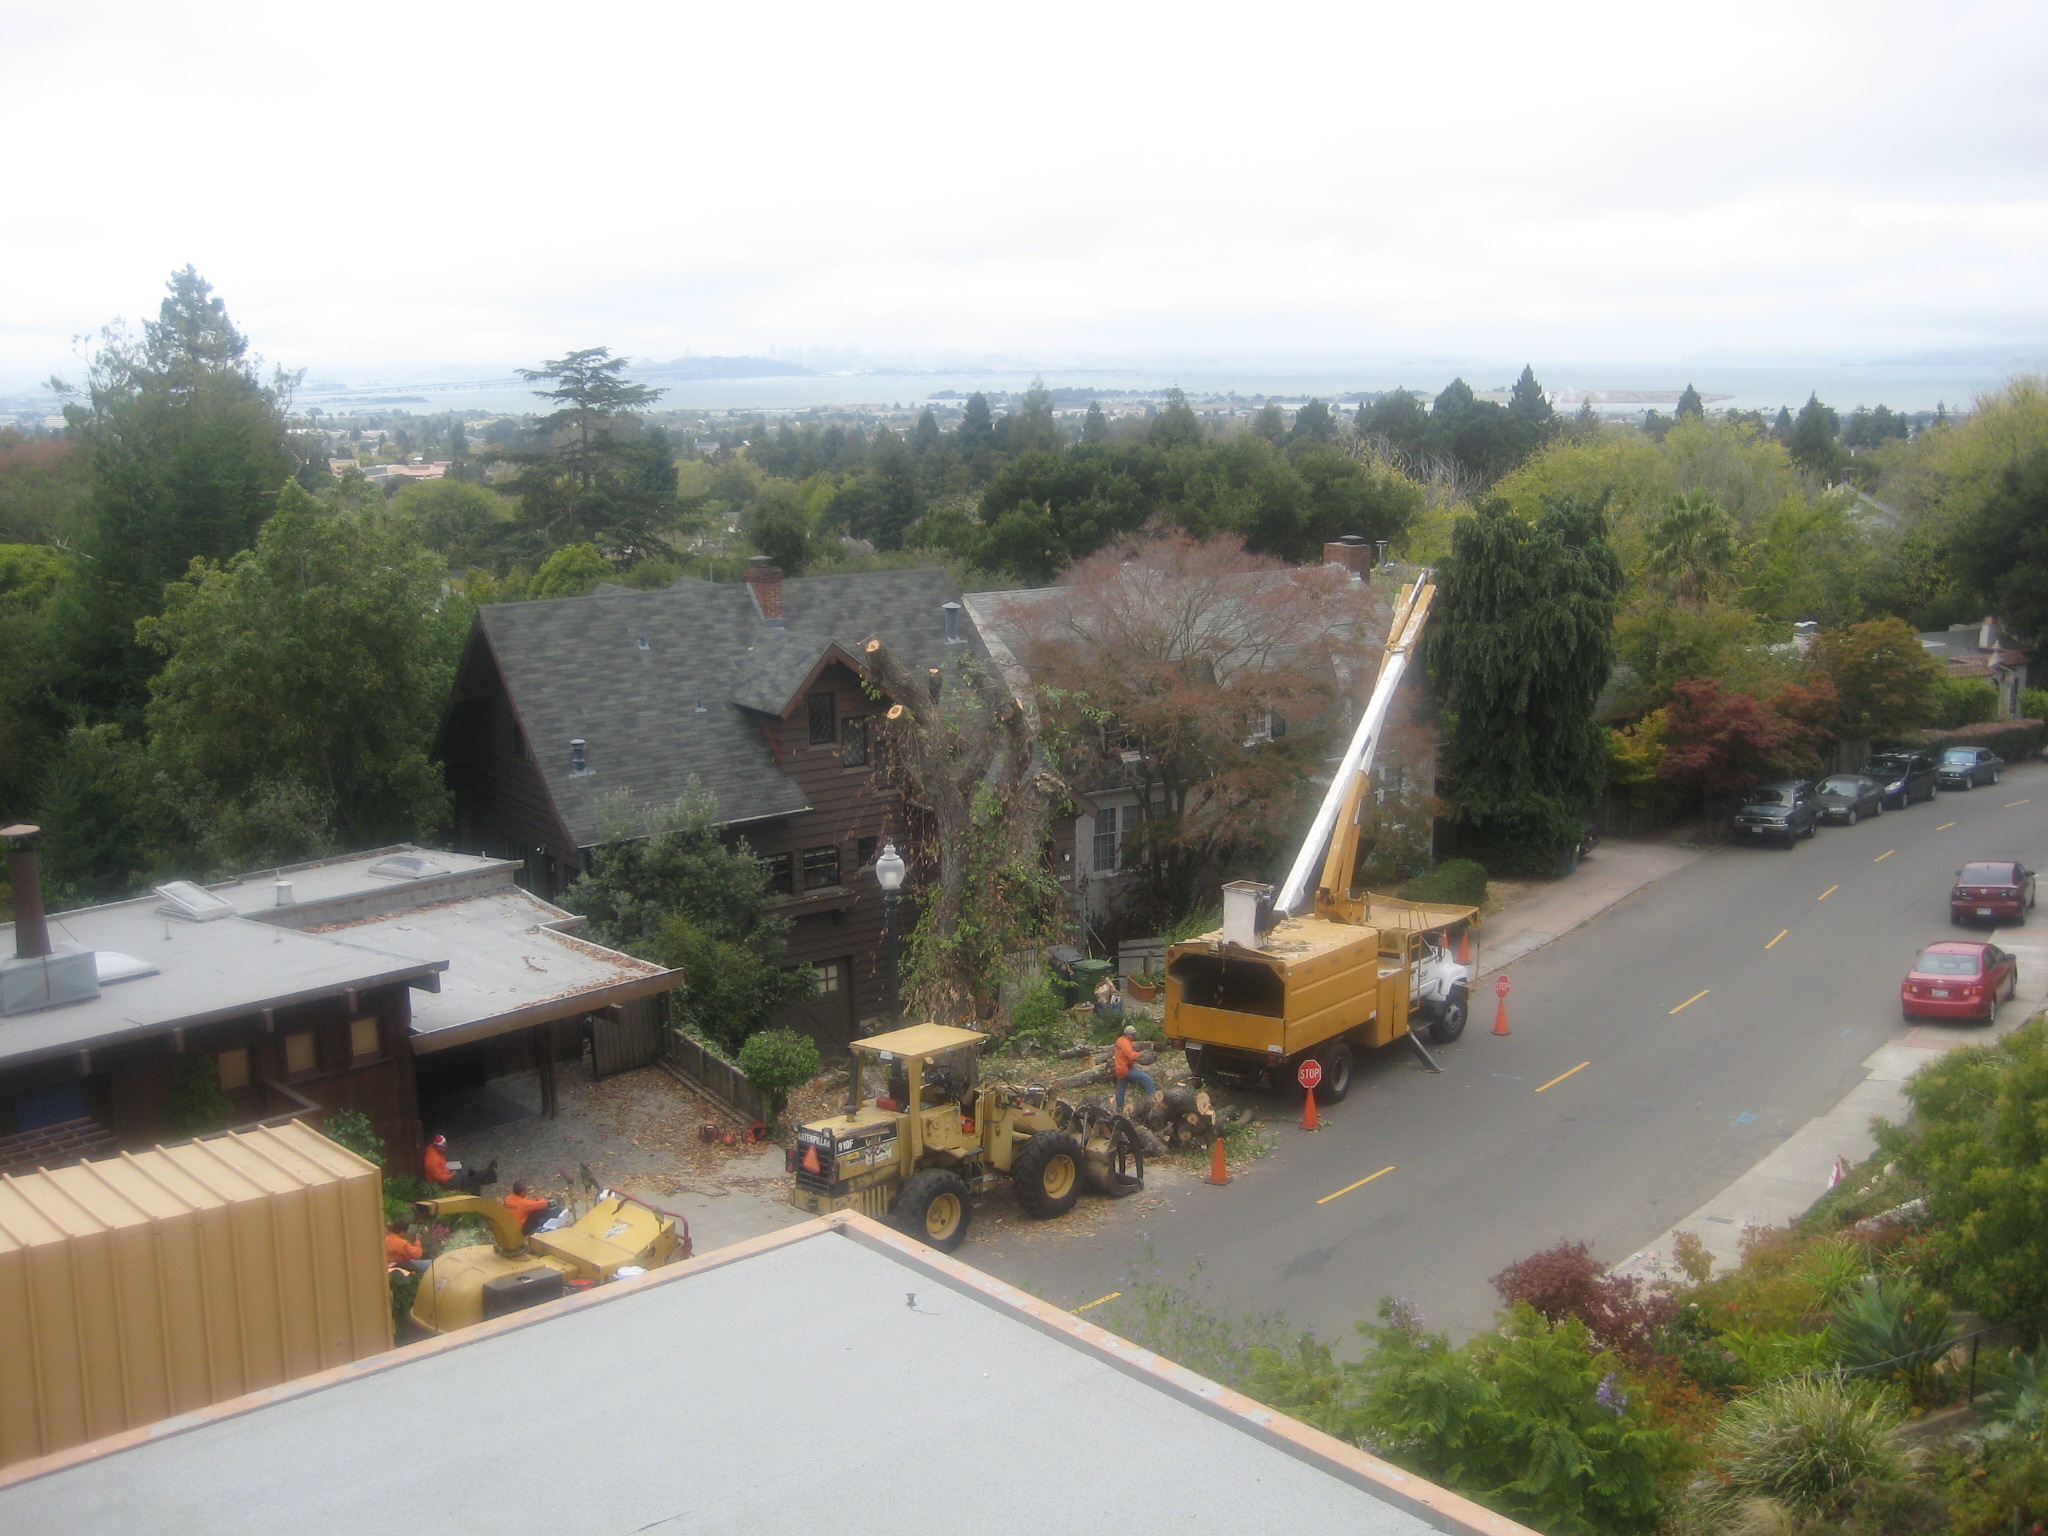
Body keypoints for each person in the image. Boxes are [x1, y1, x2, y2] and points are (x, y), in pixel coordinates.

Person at [423, 1134, 496, 1194]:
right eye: (443, 1147)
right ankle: (472, 1191)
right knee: (462, 1177)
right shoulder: (433, 1160)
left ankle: (480, 1176)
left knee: (461, 1171)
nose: (445, 1148)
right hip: (440, 1183)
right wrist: (451, 1175)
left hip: (444, 1174)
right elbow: (439, 1177)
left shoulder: (433, 1149)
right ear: (437, 1147)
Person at [1113, 1023, 1155, 1113]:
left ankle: (1119, 1108)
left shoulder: (1119, 1040)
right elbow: (1131, 1055)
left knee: (1121, 1089)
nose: (1134, 1037)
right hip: (1126, 1069)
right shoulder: (1125, 1043)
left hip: (1119, 1069)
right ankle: (1153, 1100)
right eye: (1133, 1035)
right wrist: (1140, 1054)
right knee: (1146, 1078)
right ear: (1128, 1034)